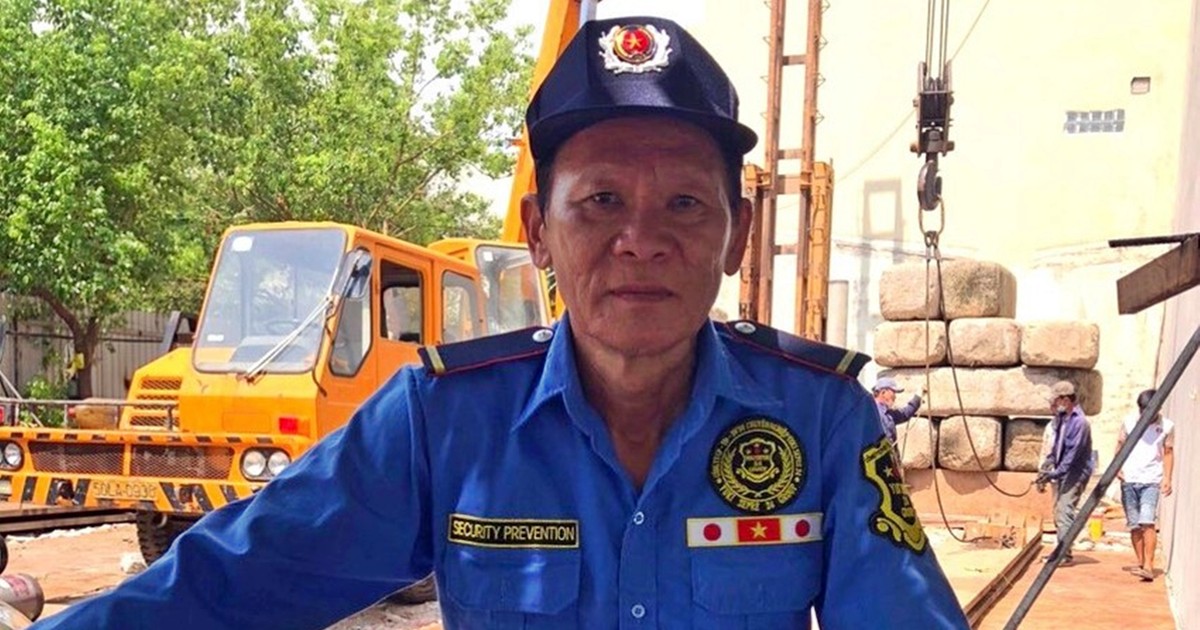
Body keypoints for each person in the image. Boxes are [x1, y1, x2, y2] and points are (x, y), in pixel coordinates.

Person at [32, 17, 969, 629]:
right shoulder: (444, 420)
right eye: (600, 201)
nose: (641, 240)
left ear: (738, 236)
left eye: (685, 204)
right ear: (539, 236)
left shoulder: (822, 420)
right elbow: (232, 579)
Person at [1117, 388, 1175, 582]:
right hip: (1129, 479)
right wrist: (1117, 468)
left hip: (1151, 480)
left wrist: (1167, 478)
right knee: (1134, 525)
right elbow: (1120, 445)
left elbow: (1168, 452)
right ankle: (1141, 562)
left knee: (1147, 521)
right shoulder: (1128, 422)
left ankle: (1149, 565)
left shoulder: (1167, 426)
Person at [1036, 380, 1094, 566]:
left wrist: (1055, 474)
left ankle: (1064, 555)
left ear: (1065, 400)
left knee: (1064, 511)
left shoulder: (1080, 423)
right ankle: (1062, 552)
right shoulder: (1062, 418)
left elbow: (1072, 454)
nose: (1053, 404)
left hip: (1075, 473)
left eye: (1056, 400)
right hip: (1063, 471)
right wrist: (1048, 463)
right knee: (1058, 511)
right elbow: (1058, 447)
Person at [873, 376, 925, 444]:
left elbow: (905, 414)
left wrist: (918, 396)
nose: (895, 397)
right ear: (883, 392)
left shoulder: (888, 413)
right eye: (893, 393)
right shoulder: (873, 412)